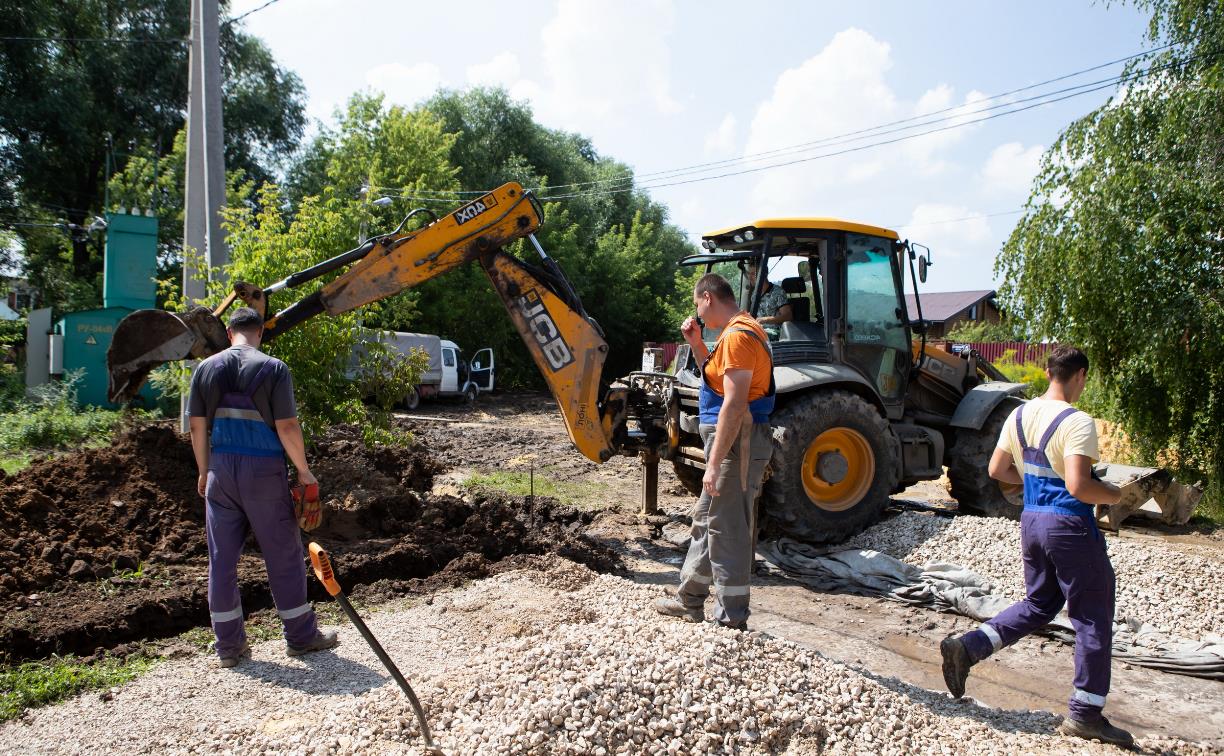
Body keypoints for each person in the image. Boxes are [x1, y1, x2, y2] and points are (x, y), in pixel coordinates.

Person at [939, 345, 1131, 747]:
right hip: (1070, 525)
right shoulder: (1078, 421)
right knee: (1093, 617)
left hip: (1032, 521)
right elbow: (1080, 486)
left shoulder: (1020, 413)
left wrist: (1031, 484)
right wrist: (1114, 495)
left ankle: (969, 648)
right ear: (1080, 376)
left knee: (1040, 603)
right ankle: (1085, 715)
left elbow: (997, 470)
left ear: (1049, 373)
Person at [187, 307, 338, 668]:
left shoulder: (206, 369)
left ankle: (229, 648)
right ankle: (301, 638)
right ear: (261, 332)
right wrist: (304, 472)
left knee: (221, 560)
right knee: (282, 555)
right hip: (263, 471)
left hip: (221, 471)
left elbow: (195, 427)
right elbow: (286, 427)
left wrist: (203, 471)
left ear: (228, 333)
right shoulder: (273, 368)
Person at [655, 273, 775, 630]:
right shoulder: (735, 334)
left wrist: (715, 462)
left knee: (729, 531)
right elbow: (719, 381)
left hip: (736, 445)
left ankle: (731, 618)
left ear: (708, 297)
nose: (698, 314)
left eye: (697, 305)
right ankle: (689, 600)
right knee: (707, 522)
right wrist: (695, 342)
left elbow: (734, 404)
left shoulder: (738, 336)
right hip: (734, 443)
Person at [745, 260, 792, 330]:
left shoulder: (778, 292)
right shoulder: (754, 294)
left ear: (764, 274)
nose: (750, 277)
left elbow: (788, 316)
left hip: (775, 333)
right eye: (749, 274)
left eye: (753, 274)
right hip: (759, 331)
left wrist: (766, 319)